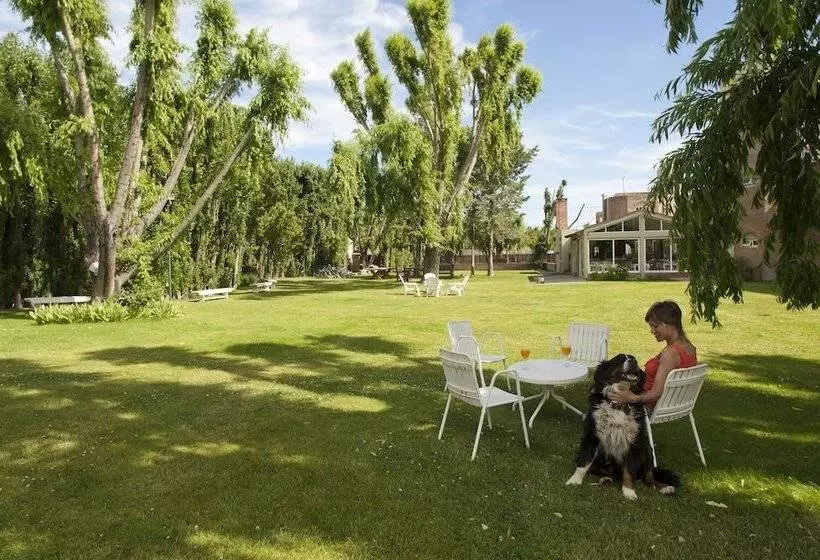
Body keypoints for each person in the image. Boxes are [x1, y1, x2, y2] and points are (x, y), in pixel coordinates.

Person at [609, 300, 697, 408]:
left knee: (605, 393)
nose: (652, 330)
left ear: (671, 323)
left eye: (655, 326)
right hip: (671, 404)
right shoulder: (690, 348)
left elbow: (656, 393)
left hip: (648, 406)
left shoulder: (670, 354)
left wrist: (632, 398)